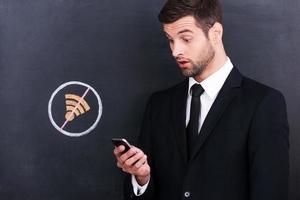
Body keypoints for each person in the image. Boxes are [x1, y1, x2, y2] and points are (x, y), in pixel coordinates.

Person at [113, 0, 289, 199]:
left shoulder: (263, 103)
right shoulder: (159, 105)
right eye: (170, 40)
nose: (175, 51)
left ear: (215, 34)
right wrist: (142, 178)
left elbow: (271, 191)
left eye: (185, 39)